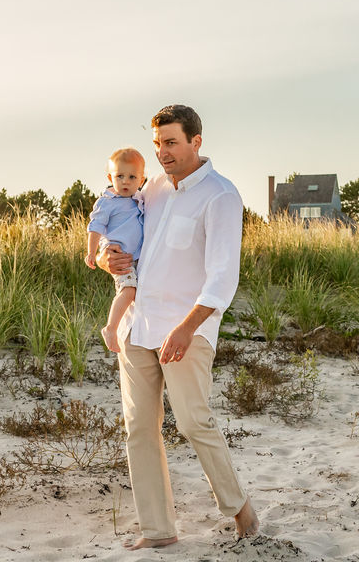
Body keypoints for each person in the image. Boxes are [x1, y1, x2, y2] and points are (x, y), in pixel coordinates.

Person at [97, 104, 260, 549]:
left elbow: (223, 275)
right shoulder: (146, 189)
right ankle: (158, 531)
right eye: (158, 145)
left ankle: (240, 508)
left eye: (171, 143)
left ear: (196, 142)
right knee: (139, 430)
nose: (163, 153)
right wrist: (102, 257)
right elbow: (107, 239)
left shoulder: (221, 196)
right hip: (137, 327)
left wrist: (188, 328)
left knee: (193, 423)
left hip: (187, 330)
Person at [85, 147, 146, 353]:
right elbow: (95, 227)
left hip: (137, 258)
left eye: (132, 176)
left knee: (136, 294)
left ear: (141, 180)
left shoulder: (140, 199)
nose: (126, 181)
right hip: (119, 257)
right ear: (110, 177)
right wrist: (93, 252)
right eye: (120, 176)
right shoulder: (107, 202)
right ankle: (111, 328)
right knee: (128, 290)